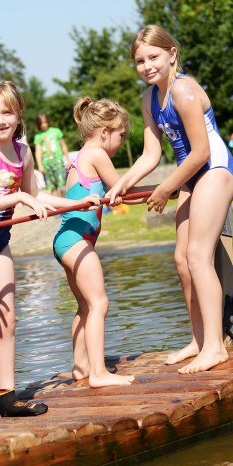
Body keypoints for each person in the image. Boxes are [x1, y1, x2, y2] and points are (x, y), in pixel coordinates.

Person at [0, 81, 88, 424]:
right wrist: (18, 199)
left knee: (8, 320)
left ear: (18, 115)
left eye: (7, 112)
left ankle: (7, 398)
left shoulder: (24, 153)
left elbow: (36, 196)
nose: (0, 120)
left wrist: (79, 202)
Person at [106, 25, 233, 374]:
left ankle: (215, 346)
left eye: (154, 57)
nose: (147, 65)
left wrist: (165, 188)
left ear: (172, 54)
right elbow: (151, 155)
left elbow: (200, 152)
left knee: (198, 256)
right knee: (182, 260)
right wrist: (120, 184)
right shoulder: (149, 99)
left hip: (214, 170)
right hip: (191, 175)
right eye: (140, 60)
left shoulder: (185, 91)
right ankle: (199, 339)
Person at [53, 97, 135, 388]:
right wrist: (163, 189)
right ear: (104, 132)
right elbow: (123, 187)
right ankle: (99, 373)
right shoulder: (97, 154)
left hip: (67, 240)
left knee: (85, 306)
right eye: (120, 135)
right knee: (99, 302)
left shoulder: (78, 155)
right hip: (77, 240)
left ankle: (82, 366)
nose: (120, 140)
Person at [34, 112, 70, 195]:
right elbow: (38, 152)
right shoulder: (38, 136)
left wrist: (68, 160)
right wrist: (40, 165)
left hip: (58, 161)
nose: (43, 125)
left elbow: (63, 146)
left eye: (45, 122)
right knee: (52, 186)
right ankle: (58, 206)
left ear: (48, 121)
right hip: (46, 164)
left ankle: (66, 203)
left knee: (62, 184)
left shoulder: (56, 131)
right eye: (41, 123)